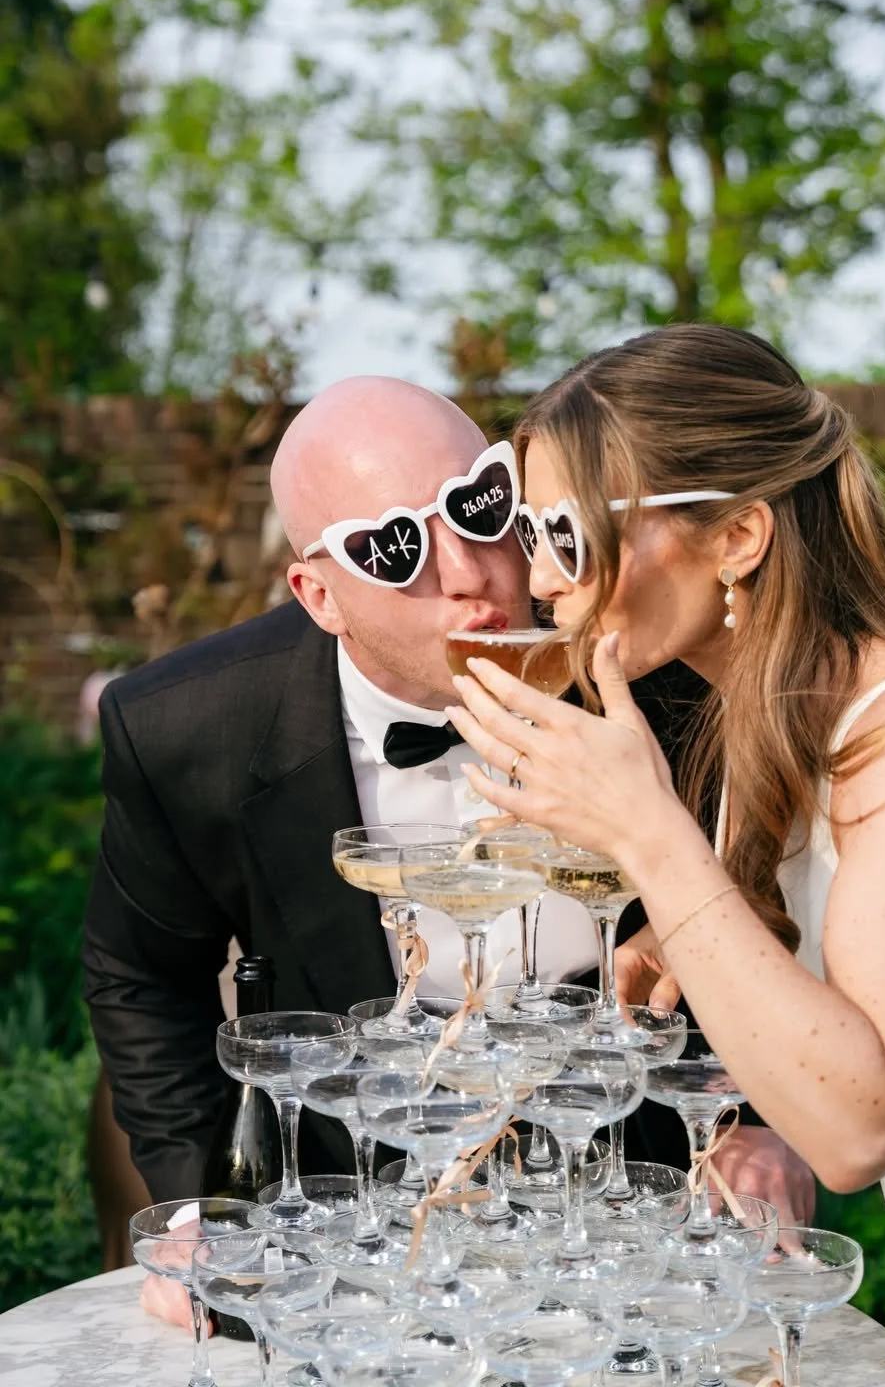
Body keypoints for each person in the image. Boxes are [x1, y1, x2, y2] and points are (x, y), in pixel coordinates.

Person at [82, 374, 812, 1327]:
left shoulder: (666, 667)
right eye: (394, 550)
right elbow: (139, 976)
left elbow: (765, 897)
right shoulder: (187, 728)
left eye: (480, 507)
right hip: (367, 1222)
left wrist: (763, 1121)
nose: (470, 571)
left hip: (639, 1198)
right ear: (319, 594)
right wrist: (194, 1208)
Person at [443, 325, 885, 1387]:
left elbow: (858, 1124)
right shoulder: (778, 714)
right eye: (528, 530)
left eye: (570, 530)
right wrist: (671, 937)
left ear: (738, 535)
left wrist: (650, 836)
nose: (540, 578)